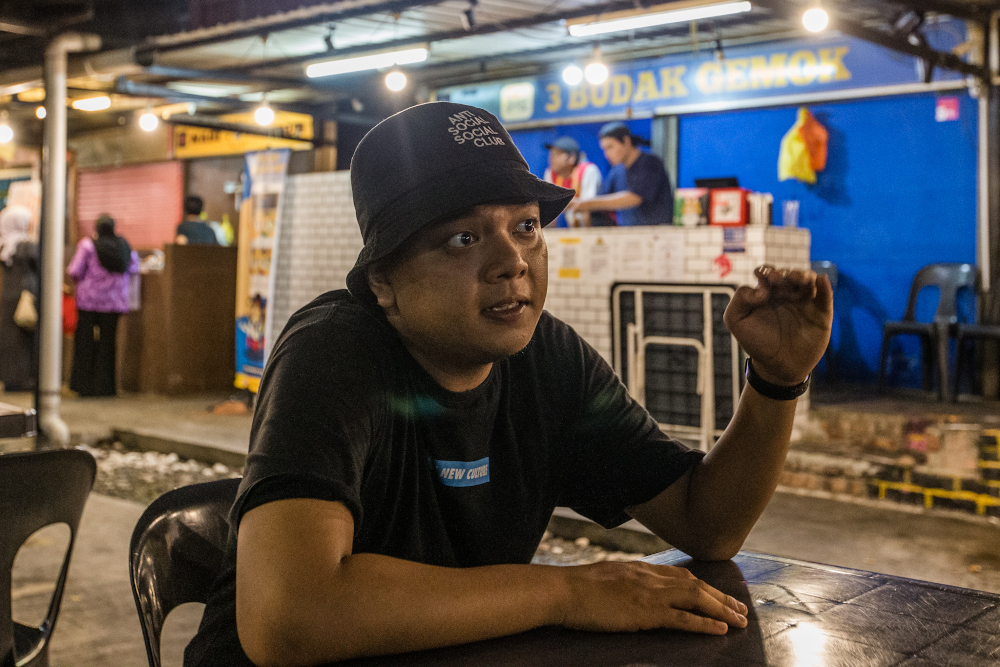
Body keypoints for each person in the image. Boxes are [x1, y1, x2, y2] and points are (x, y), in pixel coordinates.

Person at [184, 102, 832, 667]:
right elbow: (290, 616)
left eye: (525, 227)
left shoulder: (549, 359)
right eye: (464, 237)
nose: (513, 261)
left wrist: (778, 379)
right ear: (383, 282)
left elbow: (706, 521)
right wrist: (567, 592)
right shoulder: (333, 351)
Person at [67, 214, 139, 396]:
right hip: (114, 303)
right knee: (108, 344)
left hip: (88, 302)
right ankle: (106, 387)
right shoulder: (124, 245)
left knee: (85, 342)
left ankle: (83, 386)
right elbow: (133, 268)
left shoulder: (88, 245)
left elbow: (74, 270)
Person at [567, 122, 674, 226]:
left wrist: (586, 203)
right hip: (626, 237)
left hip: (658, 235)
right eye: (604, 149)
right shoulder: (616, 172)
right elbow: (602, 199)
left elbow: (634, 198)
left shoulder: (650, 162)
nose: (606, 154)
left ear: (626, 141)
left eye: (610, 147)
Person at [0, 205, 39, 391]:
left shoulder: (4, 244)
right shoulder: (26, 245)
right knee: (24, 340)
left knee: (8, 339)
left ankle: (9, 378)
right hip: (26, 297)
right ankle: (24, 379)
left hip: (7, 296)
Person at [542, 136, 607, 227]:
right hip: (572, 224)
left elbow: (587, 205)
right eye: (551, 155)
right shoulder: (550, 174)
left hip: (598, 224)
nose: (551, 159)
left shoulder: (588, 171)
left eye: (556, 155)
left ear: (571, 158)